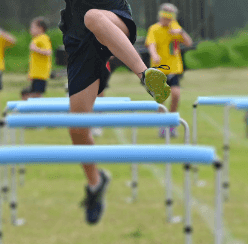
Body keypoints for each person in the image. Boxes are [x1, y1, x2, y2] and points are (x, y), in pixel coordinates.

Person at [59, 0, 170, 224]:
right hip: (80, 40)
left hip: (113, 20)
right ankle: (95, 184)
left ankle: (145, 75)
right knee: (77, 129)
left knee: (94, 17)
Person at [146, 3, 192, 138]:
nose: (166, 19)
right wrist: (154, 55)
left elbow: (189, 43)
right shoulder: (154, 29)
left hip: (174, 68)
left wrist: (181, 33)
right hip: (159, 69)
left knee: (176, 94)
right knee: (161, 98)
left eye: (169, 16)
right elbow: (151, 45)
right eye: (164, 16)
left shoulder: (175, 28)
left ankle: (171, 123)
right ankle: (162, 124)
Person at [27, 16, 52, 99]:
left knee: (37, 94)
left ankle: (42, 110)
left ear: (40, 28)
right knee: (33, 94)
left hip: (41, 74)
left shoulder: (43, 38)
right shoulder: (36, 39)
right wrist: (31, 74)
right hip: (35, 73)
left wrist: (36, 49)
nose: (31, 29)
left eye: (33, 27)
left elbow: (48, 52)